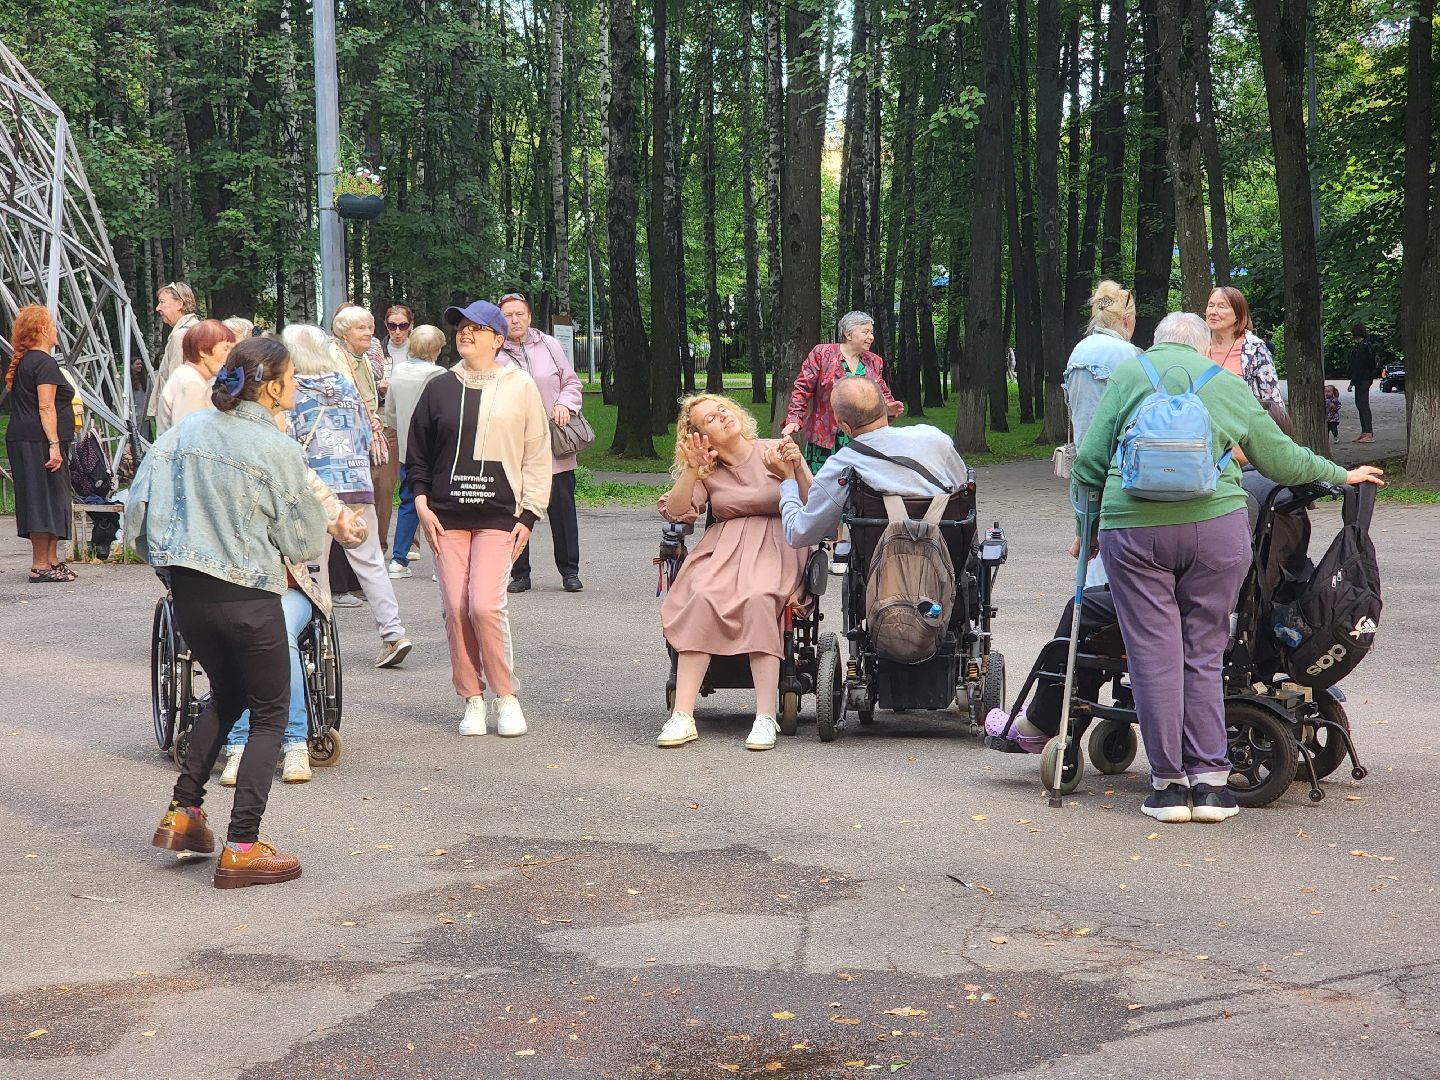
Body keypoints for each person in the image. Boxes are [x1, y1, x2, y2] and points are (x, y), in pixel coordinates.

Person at [1070, 312, 1383, 825]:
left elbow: (1089, 464)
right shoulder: (1223, 382)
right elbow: (1280, 458)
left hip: (1133, 528)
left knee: (1153, 654)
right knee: (1205, 650)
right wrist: (1339, 473)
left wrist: (1087, 530)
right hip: (1215, 530)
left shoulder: (1130, 375)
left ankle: (1169, 788)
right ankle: (1212, 784)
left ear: (1157, 344)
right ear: (1200, 347)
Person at [128, 336, 331, 889]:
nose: (296, 386)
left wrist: (169, 568)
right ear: (271, 387)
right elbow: (305, 539)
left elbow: (136, 512)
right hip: (249, 595)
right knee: (270, 712)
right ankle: (242, 845)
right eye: (291, 378)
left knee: (229, 695)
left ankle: (184, 814)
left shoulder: (182, 432)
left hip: (190, 599)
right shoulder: (277, 449)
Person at [407, 300, 551, 738]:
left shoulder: (520, 385)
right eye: (461, 328)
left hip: (500, 515)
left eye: (476, 327)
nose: (465, 334)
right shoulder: (439, 387)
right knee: (454, 607)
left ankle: (506, 697)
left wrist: (529, 513)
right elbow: (418, 452)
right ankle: (472, 697)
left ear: (498, 338)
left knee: (485, 606)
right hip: (445, 516)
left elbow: (536, 453)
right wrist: (420, 501)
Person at [657, 394, 813, 752]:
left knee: (760, 595)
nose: (722, 416)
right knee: (700, 595)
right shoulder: (707, 468)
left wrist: (798, 467)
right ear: (700, 436)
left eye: (723, 409)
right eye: (710, 418)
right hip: (723, 548)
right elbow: (678, 512)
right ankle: (682, 715)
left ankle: (764, 716)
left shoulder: (774, 449)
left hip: (779, 542)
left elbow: (815, 505)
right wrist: (692, 471)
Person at [283, 324, 413, 670]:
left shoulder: (291, 391)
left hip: (316, 490)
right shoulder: (345, 386)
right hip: (356, 482)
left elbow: (288, 442)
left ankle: (321, 641)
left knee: (315, 568)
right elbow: (363, 433)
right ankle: (394, 633)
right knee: (370, 561)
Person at [772, 376, 968, 548]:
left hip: (881, 577)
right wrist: (800, 467)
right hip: (949, 560)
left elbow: (799, 533)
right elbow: (964, 494)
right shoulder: (935, 438)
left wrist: (788, 480)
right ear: (885, 408)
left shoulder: (842, 464)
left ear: (845, 427)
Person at [498, 291, 586, 594]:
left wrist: (565, 404)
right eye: (508, 315)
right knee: (516, 510)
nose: (514, 320)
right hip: (515, 448)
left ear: (529, 316)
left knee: (563, 510)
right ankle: (519, 572)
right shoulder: (495, 352)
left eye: (519, 314)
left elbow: (571, 382)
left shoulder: (549, 345)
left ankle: (569, 571)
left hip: (554, 446)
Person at [5, 305, 77, 583]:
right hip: (37, 440)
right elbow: (46, 407)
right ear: (42, 330)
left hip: (28, 438)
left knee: (51, 497)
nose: (56, 330)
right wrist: (54, 444)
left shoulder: (29, 362)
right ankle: (39, 564)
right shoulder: (43, 363)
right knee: (41, 498)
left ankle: (51, 559)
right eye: (52, 324)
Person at [782, 311, 904, 473]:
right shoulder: (822, 354)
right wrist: (794, 418)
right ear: (848, 334)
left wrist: (889, 407)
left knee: (858, 487)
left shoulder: (874, 361)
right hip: (825, 437)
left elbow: (882, 393)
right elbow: (802, 387)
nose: (871, 337)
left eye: (872, 332)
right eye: (865, 332)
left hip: (863, 438)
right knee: (820, 485)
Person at [330, 305, 399, 558]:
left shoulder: (365, 358)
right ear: (344, 332)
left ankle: (365, 555)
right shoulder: (336, 357)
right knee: (351, 501)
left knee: (367, 496)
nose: (369, 333)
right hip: (345, 441)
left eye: (370, 327)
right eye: (361, 328)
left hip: (365, 434)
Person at [382, 324, 447, 578]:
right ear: (435, 349)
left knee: (409, 500)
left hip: (408, 449)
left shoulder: (399, 372)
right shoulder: (440, 374)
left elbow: (390, 413)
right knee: (439, 504)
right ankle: (438, 565)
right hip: (437, 450)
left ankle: (398, 560)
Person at [1203, 286, 1284, 412]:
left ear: (1238, 315)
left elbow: (1273, 400)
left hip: (1245, 428)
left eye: (1221, 306)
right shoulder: (1198, 346)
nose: (1213, 312)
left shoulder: (1254, 348)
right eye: (1211, 305)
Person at [155, 319, 236, 434]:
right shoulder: (191, 383)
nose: (230, 355)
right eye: (226, 348)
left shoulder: (191, 377)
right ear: (203, 351)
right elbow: (190, 438)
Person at [145, 282, 200, 422]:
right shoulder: (197, 329)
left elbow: (176, 383)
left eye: (162, 302)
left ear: (179, 304)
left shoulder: (181, 336)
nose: (158, 308)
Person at [1346, 322, 1379, 444]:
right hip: (1366, 378)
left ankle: (1368, 432)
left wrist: (1352, 382)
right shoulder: (1367, 345)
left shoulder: (1362, 347)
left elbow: (1358, 366)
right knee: (1361, 405)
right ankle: (1365, 432)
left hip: (1362, 379)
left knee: (1363, 405)